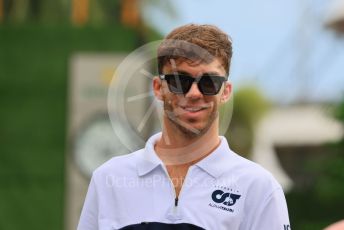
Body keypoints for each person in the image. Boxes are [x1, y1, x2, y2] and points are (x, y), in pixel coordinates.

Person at [77, 24, 291, 230]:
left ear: (225, 91)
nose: (194, 94)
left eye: (209, 82)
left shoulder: (259, 188)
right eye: (180, 81)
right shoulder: (108, 179)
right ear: (159, 88)